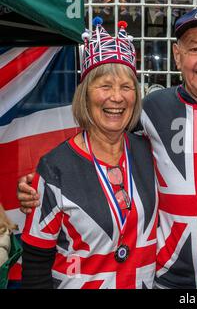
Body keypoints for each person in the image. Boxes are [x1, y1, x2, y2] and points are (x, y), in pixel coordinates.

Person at [18, 8, 197, 289]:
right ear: (177, 56)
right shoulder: (152, 110)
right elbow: (98, 137)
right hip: (171, 283)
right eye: (194, 49)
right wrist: (42, 184)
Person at [19, 18, 158, 289]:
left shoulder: (150, 151)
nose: (116, 98)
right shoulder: (54, 169)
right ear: (84, 95)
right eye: (105, 86)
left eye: (126, 87)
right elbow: (35, 270)